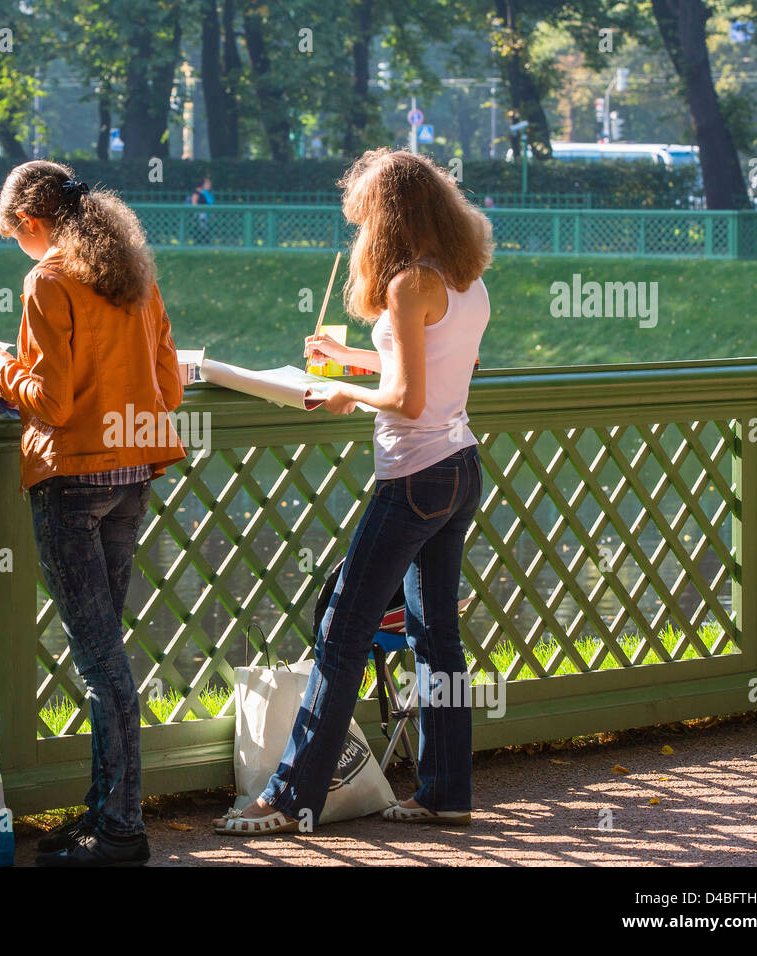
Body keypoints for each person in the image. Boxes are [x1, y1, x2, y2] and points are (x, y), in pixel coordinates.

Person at [214, 147, 492, 835]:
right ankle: (445, 792)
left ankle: (292, 796)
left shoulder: (406, 283)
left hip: (413, 477)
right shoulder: (467, 278)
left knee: (341, 633)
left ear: (388, 215)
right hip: (460, 467)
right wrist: (352, 359)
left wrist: (342, 390)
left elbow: (404, 394)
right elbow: (441, 360)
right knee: (439, 641)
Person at [0, 160, 187, 866]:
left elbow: (50, 404)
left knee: (100, 666)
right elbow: (170, 391)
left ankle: (120, 831)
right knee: (106, 652)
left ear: (29, 223)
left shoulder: (48, 281)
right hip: (133, 473)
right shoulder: (133, 278)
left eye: (14, 235)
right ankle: (102, 813)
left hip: (73, 480)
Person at [188, 176, 213, 244]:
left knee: (205, 229)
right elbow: (194, 204)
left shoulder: (201, 193)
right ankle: (199, 242)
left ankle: (204, 242)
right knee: (201, 229)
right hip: (199, 216)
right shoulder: (196, 193)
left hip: (203, 215)